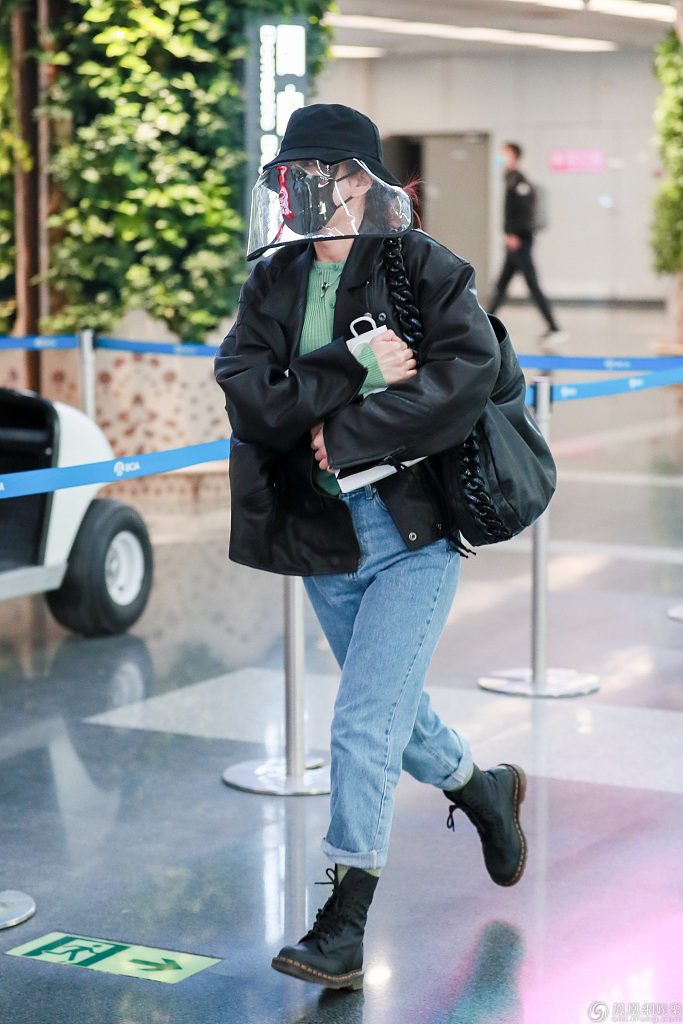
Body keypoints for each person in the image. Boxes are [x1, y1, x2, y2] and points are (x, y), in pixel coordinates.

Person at [214, 103, 528, 992]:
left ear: (361, 181)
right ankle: (482, 789)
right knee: (390, 713)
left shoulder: (420, 267)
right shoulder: (273, 281)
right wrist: (352, 369)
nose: (300, 194)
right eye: (288, 179)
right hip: (323, 538)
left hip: (412, 532)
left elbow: (464, 378)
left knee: (359, 722)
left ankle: (343, 924)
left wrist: (344, 433)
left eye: (318, 176)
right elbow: (251, 400)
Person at [488, 142, 566, 349]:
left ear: (514, 156)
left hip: (520, 242)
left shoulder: (519, 181)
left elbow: (524, 211)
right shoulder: (510, 178)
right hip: (514, 241)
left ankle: (555, 328)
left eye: (504, 153)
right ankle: (485, 324)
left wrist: (514, 234)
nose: (500, 156)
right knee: (501, 285)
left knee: (531, 284)